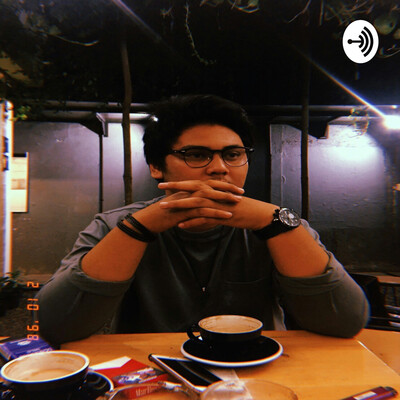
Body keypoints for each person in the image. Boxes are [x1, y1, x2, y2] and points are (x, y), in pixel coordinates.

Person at [36, 94, 369, 344]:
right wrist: (141, 227)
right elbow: (56, 326)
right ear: (156, 166)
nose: (219, 168)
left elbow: (345, 322)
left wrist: (276, 223)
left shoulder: (277, 225)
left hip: (256, 373)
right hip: (150, 376)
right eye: (196, 155)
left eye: (233, 154)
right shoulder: (114, 226)